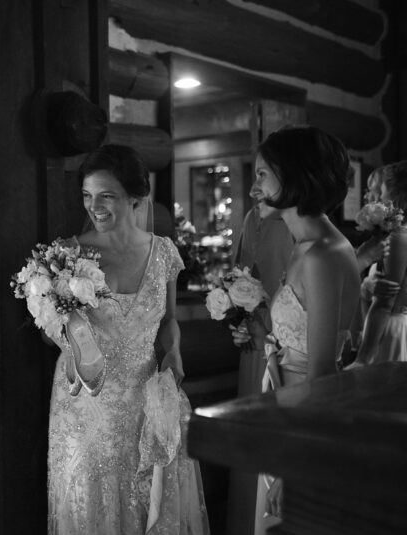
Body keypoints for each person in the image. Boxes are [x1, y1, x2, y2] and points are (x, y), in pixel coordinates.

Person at [46, 144, 210, 534]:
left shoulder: (164, 253)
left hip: (145, 396)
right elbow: (54, 329)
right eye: (87, 195)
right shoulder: (68, 254)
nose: (94, 205)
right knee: (88, 501)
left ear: (136, 198)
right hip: (85, 403)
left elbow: (169, 320)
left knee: (146, 502)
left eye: (107, 195)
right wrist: (63, 340)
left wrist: (174, 351)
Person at [230, 126, 360, 534]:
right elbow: (296, 334)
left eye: (263, 174)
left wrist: (293, 467)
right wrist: (259, 332)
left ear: (295, 175)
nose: (254, 187)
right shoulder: (304, 247)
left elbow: (322, 372)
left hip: (307, 425)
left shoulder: (323, 255)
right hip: (284, 408)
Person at [225, 189, 294, 535]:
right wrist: (239, 322)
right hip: (254, 351)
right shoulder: (252, 218)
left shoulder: (301, 228)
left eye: (263, 175)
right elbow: (239, 279)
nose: (254, 188)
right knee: (249, 453)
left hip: (286, 356)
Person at [353, 160, 407, 365]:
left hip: (389, 331)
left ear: (397, 196)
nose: (380, 198)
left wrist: (362, 359)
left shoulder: (400, 236)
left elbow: (385, 303)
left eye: (382, 191)